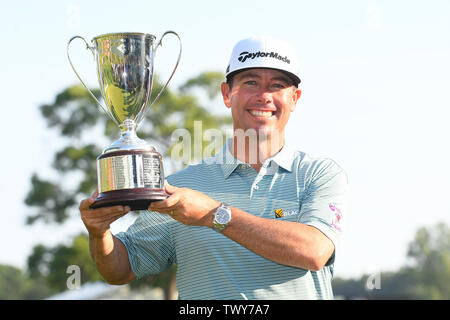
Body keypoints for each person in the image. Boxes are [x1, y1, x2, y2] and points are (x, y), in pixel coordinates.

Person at [79, 35, 348, 300]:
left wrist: (212, 214)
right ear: (227, 94)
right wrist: (99, 233)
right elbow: (122, 268)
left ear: (294, 99)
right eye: (251, 82)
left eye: (277, 85)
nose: (264, 96)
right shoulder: (183, 187)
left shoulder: (319, 175)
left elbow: (314, 251)